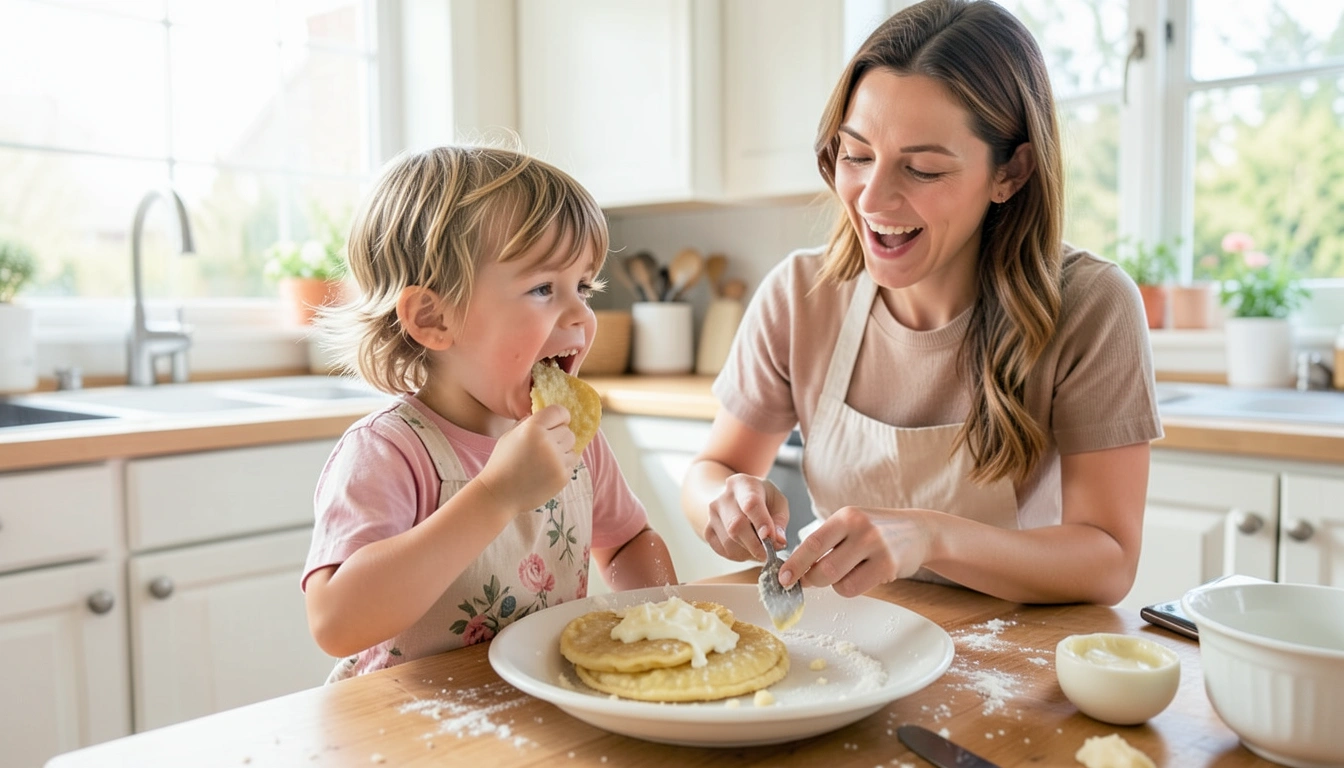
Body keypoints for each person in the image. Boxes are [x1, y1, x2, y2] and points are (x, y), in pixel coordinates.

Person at [682, 0, 1161, 606]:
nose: (871, 198)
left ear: (1011, 173)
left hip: (1015, 645)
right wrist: (725, 501)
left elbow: (1109, 560)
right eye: (857, 156)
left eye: (924, 169)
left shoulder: (1091, 306)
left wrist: (930, 536)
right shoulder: (801, 296)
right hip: (850, 636)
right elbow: (713, 470)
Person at [303, 145, 678, 680]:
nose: (580, 314)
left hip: (538, 700)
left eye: (583, 287)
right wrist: (495, 495)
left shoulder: (576, 439)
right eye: (543, 288)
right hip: (407, 718)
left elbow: (627, 543)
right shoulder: (389, 452)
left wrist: (666, 624)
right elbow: (336, 622)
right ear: (434, 318)